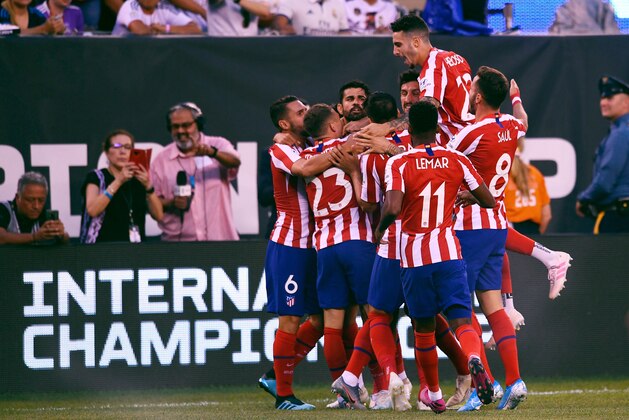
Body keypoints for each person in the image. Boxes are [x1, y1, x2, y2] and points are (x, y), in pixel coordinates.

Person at [376, 100, 496, 414]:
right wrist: (462, 196)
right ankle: (472, 358)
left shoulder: (399, 163)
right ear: (438, 127)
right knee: (461, 320)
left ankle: (432, 392)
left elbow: (391, 207)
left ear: (409, 128)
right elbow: (488, 199)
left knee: (424, 326)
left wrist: (379, 230)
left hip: (415, 257)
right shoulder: (456, 159)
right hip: (448, 252)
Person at [448, 66, 528, 411]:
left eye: (471, 87)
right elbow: (523, 118)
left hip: (469, 227)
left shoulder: (470, 133)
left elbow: (443, 163)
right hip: (497, 225)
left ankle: (487, 385)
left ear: (477, 96)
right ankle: (515, 381)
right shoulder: (511, 125)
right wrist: (516, 96)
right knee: (493, 305)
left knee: (461, 311)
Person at [261, 95, 338, 410]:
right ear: (284, 123)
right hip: (290, 245)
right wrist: (343, 152)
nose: (307, 113)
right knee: (290, 318)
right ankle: (284, 396)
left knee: (321, 319)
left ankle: (272, 376)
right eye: (300, 111)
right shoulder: (280, 149)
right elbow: (303, 169)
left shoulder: (309, 143)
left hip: (315, 246)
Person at [300, 104, 375, 406]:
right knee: (378, 314)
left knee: (332, 323)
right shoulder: (352, 147)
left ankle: (343, 395)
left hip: (325, 246)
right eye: (340, 120)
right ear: (333, 126)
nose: (345, 123)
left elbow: (302, 171)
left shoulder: (306, 158)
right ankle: (373, 383)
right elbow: (366, 199)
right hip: (356, 240)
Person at [359, 14, 474, 146]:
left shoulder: (434, 66)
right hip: (470, 135)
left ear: (415, 42)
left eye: (398, 45)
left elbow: (423, 114)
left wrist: (385, 128)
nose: (395, 52)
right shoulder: (456, 58)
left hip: (457, 143)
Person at [151, 102, 241, 241]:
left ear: (198, 124)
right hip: (179, 244)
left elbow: (235, 161)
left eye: (186, 125)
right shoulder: (161, 160)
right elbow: (152, 201)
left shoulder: (218, 144)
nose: (180, 131)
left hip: (221, 241)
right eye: (175, 127)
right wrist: (172, 202)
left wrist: (213, 153)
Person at [80, 130, 163, 243]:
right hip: (103, 249)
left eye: (127, 147)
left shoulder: (139, 179)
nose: (122, 151)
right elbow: (92, 210)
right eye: (117, 146)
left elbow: (159, 216)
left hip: (135, 251)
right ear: (106, 151)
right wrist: (118, 181)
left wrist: (149, 187)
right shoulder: (96, 177)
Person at [576, 75, 629, 234]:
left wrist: (583, 199)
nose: (603, 102)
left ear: (627, 102)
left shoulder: (621, 133)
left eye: (610, 97)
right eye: (602, 98)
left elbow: (605, 181)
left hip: (619, 219)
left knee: (609, 260)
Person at [0, 172, 69, 245]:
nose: (36, 206)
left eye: (41, 200)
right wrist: (34, 237)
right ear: (17, 198)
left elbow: (65, 242)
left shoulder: (45, 214)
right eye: (30, 200)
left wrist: (62, 235)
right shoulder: (3, 209)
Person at [504, 150, 552, 234]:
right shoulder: (536, 173)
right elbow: (547, 215)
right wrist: (538, 235)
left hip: (511, 230)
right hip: (534, 229)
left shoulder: (504, 176)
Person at [111, 0, 202, 35]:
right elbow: (139, 30)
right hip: (120, 55)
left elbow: (196, 29)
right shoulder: (130, 5)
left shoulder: (164, 8)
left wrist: (166, 28)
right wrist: (156, 30)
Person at [272, 0, 349, 35]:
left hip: (331, 53)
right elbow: (279, 24)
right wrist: (284, 29)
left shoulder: (338, 4)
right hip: (301, 52)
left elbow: (344, 32)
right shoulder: (292, 1)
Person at [0, 0, 65, 34]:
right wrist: (43, 29)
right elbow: (8, 33)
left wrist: (57, 28)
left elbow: (48, 29)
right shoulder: (2, 12)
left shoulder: (36, 13)